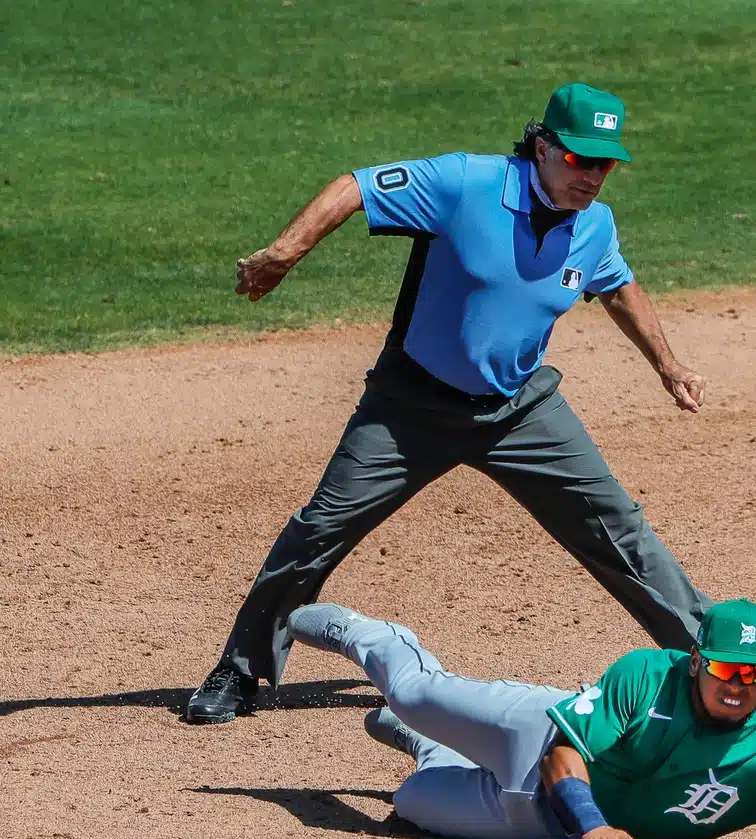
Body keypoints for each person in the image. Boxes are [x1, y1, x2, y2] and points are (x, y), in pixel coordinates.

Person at [186, 83, 713, 724]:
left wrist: (667, 362)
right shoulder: (464, 182)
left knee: (614, 524)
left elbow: (617, 283)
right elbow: (355, 186)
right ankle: (239, 673)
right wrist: (285, 253)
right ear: (542, 147)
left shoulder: (593, 224)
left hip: (519, 410)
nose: (593, 176)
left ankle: (708, 659)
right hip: (411, 408)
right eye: (580, 159)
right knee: (320, 528)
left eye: (605, 164)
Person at [283, 598, 756, 839]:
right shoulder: (646, 674)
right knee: (414, 691)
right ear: (698, 659)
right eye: (728, 667)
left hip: (540, 826)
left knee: (409, 804)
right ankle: (365, 635)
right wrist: (590, 826)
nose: (740, 684)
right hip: (538, 739)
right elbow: (562, 753)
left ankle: (422, 742)